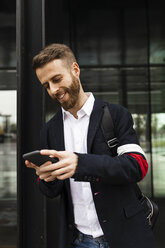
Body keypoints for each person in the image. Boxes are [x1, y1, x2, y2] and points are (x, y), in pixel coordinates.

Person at [25, 43, 155, 248]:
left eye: (56, 79)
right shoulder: (50, 130)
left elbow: (137, 166)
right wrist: (47, 177)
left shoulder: (115, 115)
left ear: (75, 70)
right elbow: (51, 191)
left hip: (125, 236)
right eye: (46, 85)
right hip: (78, 241)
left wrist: (80, 163)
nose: (53, 90)